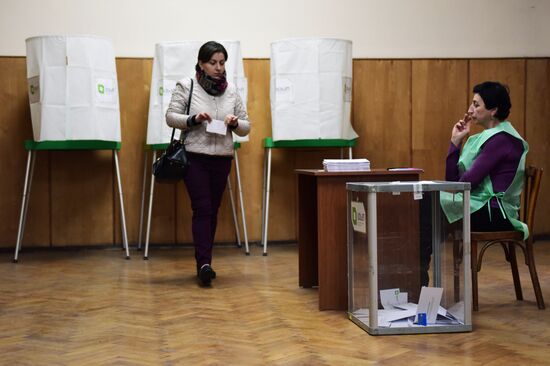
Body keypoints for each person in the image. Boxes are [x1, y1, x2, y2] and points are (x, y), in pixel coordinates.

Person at [166, 41, 251, 286]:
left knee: (212, 210)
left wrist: (235, 123)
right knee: (202, 208)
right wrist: (193, 119)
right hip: (195, 157)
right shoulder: (187, 85)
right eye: (212, 63)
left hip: (222, 158)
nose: (218, 68)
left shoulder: (232, 90)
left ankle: (205, 261)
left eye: (222, 63)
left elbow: (246, 126)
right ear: (201, 64)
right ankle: (204, 264)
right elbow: (171, 117)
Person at [440, 81, 529, 238]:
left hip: (495, 213)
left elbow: (465, 183)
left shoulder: (501, 140)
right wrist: (455, 141)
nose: (470, 110)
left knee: (428, 204)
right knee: (428, 203)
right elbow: (453, 182)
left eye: (476, 105)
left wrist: (457, 182)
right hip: (483, 208)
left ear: (493, 110)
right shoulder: (490, 137)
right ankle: (422, 260)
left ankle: (419, 261)